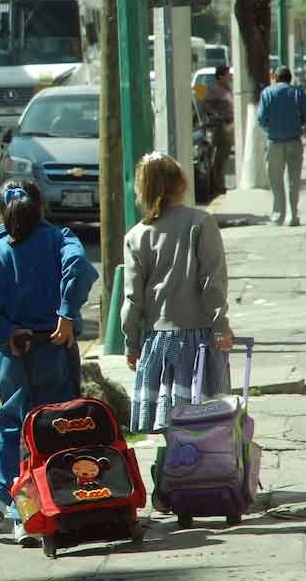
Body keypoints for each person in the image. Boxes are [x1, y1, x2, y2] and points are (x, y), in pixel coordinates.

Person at [0, 180, 98, 547]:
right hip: (53, 347)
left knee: (11, 424)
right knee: (53, 428)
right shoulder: (58, 239)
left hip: (12, 353)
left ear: (1, 213)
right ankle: (32, 511)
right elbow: (78, 266)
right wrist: (66, 313)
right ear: (41, 207)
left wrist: (5, 331)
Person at [122, 153, 233, 433]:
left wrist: (131, 344)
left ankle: (174, 460)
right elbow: (212, 281)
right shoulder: (201, 223)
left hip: (159, 343)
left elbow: (132, 299)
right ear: (181, 183)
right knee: (206, 421)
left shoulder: (136, 236)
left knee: (169, 421)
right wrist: (220, 326)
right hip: (200, 341)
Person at [257, 67, 306, 226]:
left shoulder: (267, 93)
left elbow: (261, 118)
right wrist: (299, 125)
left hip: (274, 141)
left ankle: (277, 216)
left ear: (275, 78)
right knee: (293, 180)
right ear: (290, 78)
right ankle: (293, 216)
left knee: (275, 180)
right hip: (294, 140)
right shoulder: (297, 92)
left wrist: (270, 127)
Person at [203, 65, 236, 195]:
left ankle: (219, 183)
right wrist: (215, 115)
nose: (230, 77)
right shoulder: (214, 90)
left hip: (229, 126)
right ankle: (218, 185)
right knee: (219, 158)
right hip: (220, 127)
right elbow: (205, 104)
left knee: (224, 157)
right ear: (221, 76)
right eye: (228, 74)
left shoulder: (228, 89)